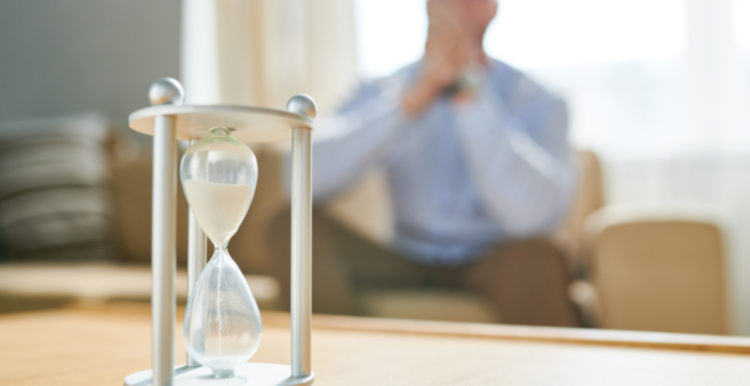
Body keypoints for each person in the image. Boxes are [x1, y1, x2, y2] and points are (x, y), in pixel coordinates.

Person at [267, 0, 580, 326]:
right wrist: (413, 100)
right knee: (288, 227)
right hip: (404, 257)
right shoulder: (382, 89)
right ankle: (345, 367)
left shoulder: (540, 101)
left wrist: (469, 93)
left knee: (542, 257)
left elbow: (535, 218)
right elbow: (299, 180)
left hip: (494, 258)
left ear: (493, 7)